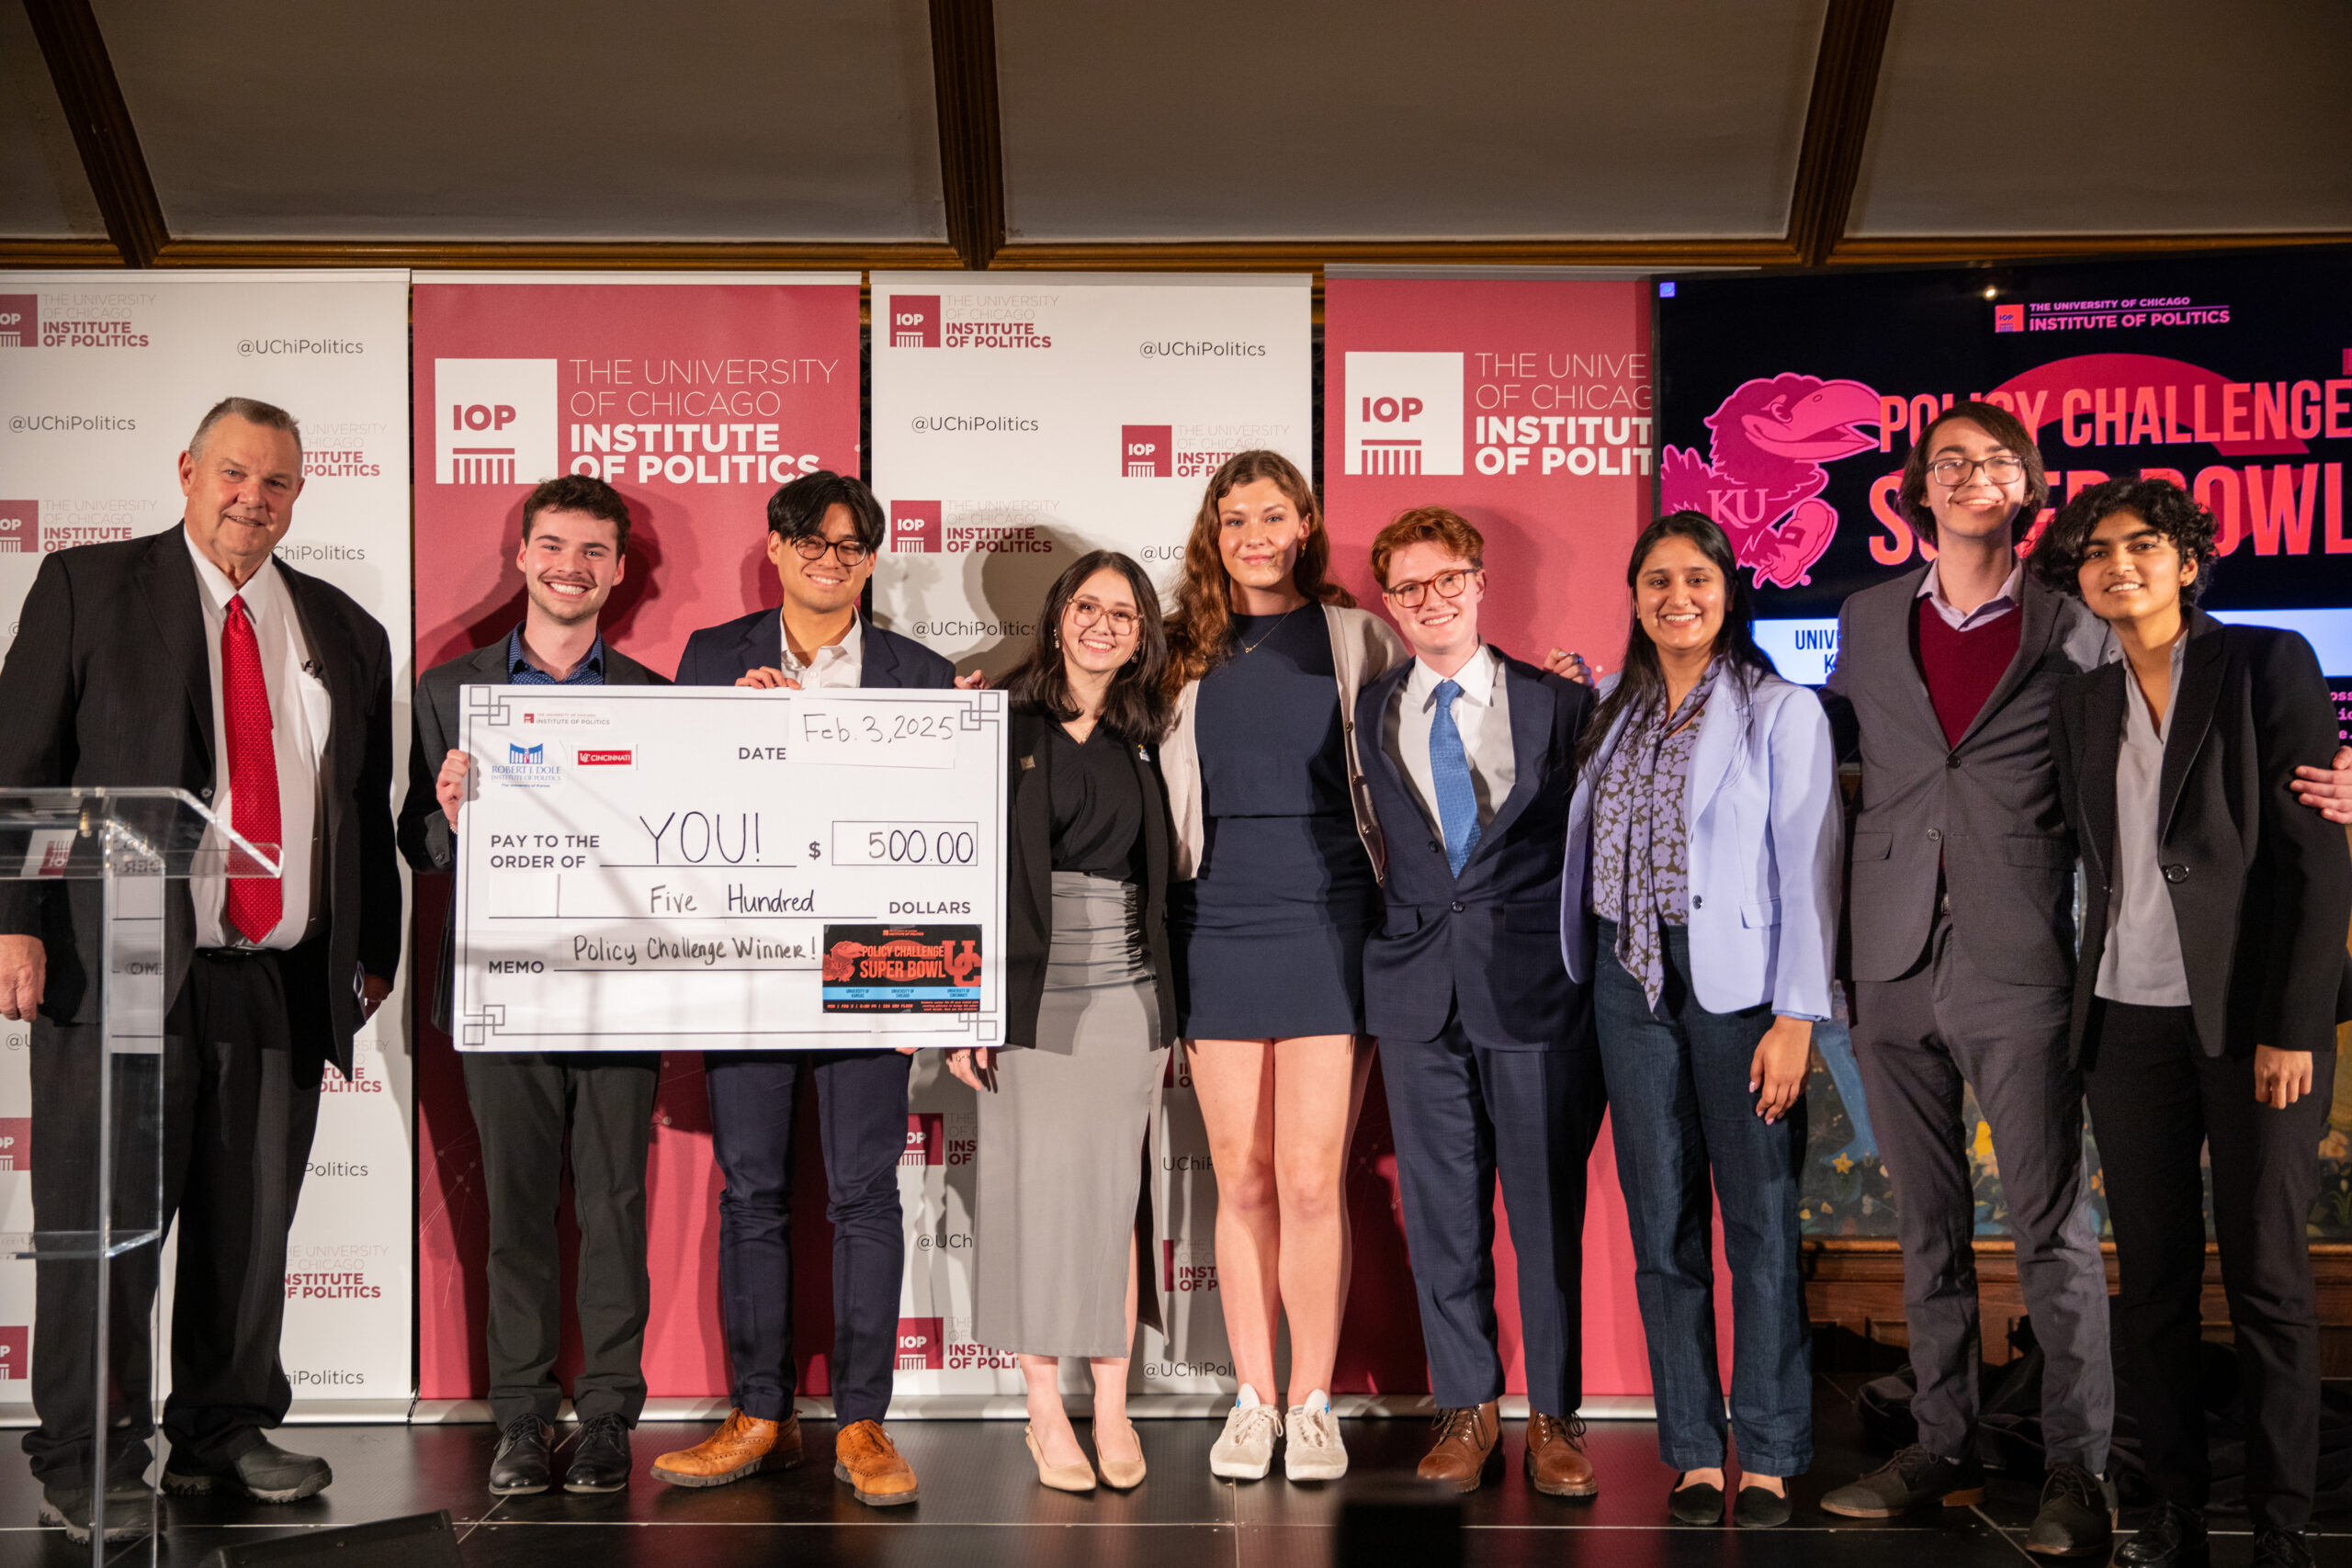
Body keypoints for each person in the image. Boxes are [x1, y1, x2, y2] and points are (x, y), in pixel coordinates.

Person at [1815, 404, 2352, 1551]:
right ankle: (1942, 1439)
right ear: (1915, 486)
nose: (1971, 478)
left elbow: (2255, 779)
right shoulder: (1859, 619)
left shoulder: (2084, 624)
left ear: (2028, 489)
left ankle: (2081, 1472)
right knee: (1931, 1227)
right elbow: (1844, 762)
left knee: (2056, 1224)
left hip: (2034, 963)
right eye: (1948, 461)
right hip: (1899, 956)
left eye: (1997, 463)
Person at [0, 398, 401, 1542]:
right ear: (187, 471)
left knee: (250, 1224)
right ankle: (89, 1451)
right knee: (106, 1227)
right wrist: (11, 920)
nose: (250, 498)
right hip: (114, 961)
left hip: (277, 972)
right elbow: (21, 763)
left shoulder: (340, 627)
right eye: (233, 473)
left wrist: (369, 948)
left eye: (274, 483)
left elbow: (357, 812)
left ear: (296, 497)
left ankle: (222, 1430)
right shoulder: (88, 588)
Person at [2039, 479, 2350, 1568]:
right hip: (2125, 1021)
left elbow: (2316, 860)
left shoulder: (2266, 662)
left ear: (2185, 558)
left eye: (2138, 544)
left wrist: (2295, 1027)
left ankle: (2280, 1523)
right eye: (2093, 551)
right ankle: (2167, 1510)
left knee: (2267, 1276)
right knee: (2154, 1282)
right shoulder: (2080, 700)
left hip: (2252, 1022)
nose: (2115, 563)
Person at [652, 470, 957, 1508]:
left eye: (853, 546)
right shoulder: (710, 659)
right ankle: (760, 1415)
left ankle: (863, 1422)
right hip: (744, 958)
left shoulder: (923, 674)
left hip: (872, 959)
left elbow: (947, 830)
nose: (833, 560)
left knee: (867, 1191)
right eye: (813, 542)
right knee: (753, 1189)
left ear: (872, 560)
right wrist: (722, 734)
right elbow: (668, 809)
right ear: (776, 548)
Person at [1559, 511, 1838, 1529]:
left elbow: (1812, 879)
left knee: (1758, 1224)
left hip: (1740, 994)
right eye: (1656, 582)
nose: (1677, 597)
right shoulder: (1610, 713)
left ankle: (1765, 1446)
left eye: (1697, 579)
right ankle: (1689, 1449)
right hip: (1625, 987)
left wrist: (1796, 1017)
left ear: (1728, 591)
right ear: (1633, 598)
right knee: (1660, 1224)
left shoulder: (1778, 710)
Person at [397, 474, 667, 1496]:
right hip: (498, 988)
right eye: (553, 546)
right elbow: (414, 845)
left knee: (613, 1209)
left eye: (594, 552)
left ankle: (604, 1417)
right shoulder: (447, 690)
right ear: (521, 555)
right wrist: (453, 815)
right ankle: (519, 1418)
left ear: (619, 570)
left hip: (620, 991)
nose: (571, 567)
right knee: (515, 1213)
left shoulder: (651, 698)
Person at [1159, 449, 1402, 1483]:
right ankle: (1251, 1399)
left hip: (1330, 920)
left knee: (1310, 1179)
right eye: (1233, 519)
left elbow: (1433, 734)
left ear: (1305, 524)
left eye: (1272, 515)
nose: (1254, 535)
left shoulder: (1359, 638)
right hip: (1215, 920)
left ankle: (1314, 1403)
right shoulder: (1175, 653)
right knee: (1243, 1174)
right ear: (1214, 537)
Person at [1351, 509, 1603, 1497]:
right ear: (1388, 603)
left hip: (1536, 990)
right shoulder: (1374, 710)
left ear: (1480, 580)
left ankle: (1556, 1414)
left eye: (1446, 579)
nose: (1431, 601)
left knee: (1545, 1213)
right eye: (1408, 588)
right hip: (1417, 992)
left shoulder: (1559, 701)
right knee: (1443, 1214)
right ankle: (1466, 1405)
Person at [943, 551, 1178, 1495]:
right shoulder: (999, 720)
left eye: (1123, 613)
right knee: (1033, 1203)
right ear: (1057, 616)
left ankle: (1112, 1405)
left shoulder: (1147, 733)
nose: (1103, 625)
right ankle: (1047, 1412)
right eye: (1089, 606)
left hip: (1126, 995)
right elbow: (955, 869)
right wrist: (966, 1006)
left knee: (1111, 1207)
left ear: (1141, 634)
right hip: (1024, 995)